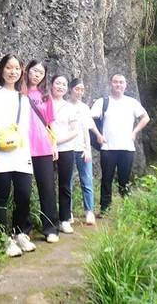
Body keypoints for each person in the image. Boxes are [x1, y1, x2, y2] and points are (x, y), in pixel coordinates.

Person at [0, 55, 37, 257]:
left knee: (23, 195)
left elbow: (26, 128)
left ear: (21, 71)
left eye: (16, 68)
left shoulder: (23, 98)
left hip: (21, 152)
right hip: (0, 151)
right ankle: (3, 237)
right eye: (9, 67)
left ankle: (19, 233)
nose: (13, 72)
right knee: (1, 195)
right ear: (1, 69)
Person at [91, 73, 150, 214]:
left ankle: (126, 208)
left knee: (125, 179)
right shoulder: (102, 102)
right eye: (115, 82)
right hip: (108, 147)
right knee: (107, 179)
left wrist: (135, 132)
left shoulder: (132, 102)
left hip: (127, 147)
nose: (118, 85)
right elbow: (89, 118)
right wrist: (98, 135)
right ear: (110, 84)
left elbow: (145, 117)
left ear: (125, 85)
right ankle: (105, 209)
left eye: (121, 82)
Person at [24, 60, 60, 242]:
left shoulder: (46, 96)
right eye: (34, 70)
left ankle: (51, 228)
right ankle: (23, 229)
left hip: (44, 147)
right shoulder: (19, 92)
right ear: (27, 71)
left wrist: (55, 145)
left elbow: (51, 122)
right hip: (22, 147)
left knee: (47, 189)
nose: (36, 75)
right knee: (23, 190)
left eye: (40, 72)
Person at [67, 78, 103, 225]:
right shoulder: (64, 106)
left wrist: (88, 149)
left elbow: (86, 129)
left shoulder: (84, 108)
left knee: (87, 180)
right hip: (68, 149)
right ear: (70, 89)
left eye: (82, 89)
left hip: (82, 148)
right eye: (77, 89)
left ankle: (89, 211)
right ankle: (68, 212)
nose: (79, 92)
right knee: (67, 182)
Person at [50, 75, 80, 234]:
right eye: (57, 83)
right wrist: (51, 143)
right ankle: (50, 219)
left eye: (63, 84)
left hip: (66, 149)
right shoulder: (45, 102)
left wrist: (58, 141)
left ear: (67, 88)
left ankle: (65, 219)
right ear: (51, 85)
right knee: (48, 185)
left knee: (64, 185)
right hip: (46, 150)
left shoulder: (69, 107)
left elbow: (75, 131)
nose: (60, 86)